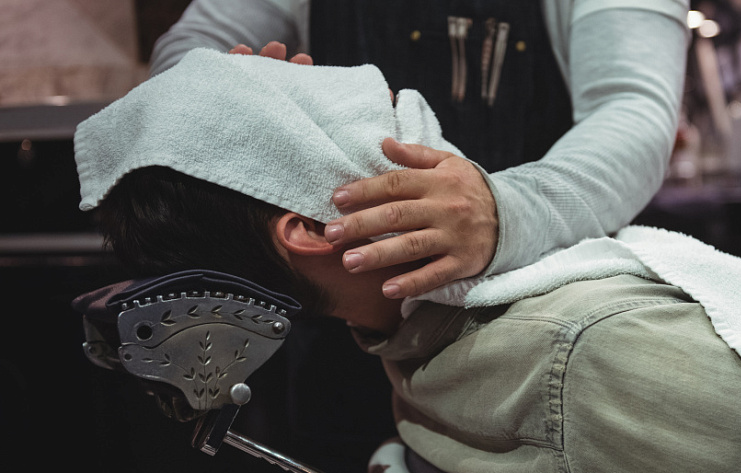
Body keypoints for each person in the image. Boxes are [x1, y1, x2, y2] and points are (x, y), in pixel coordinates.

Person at [75, 50, 741, 473]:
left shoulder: (408, 343)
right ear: (314, 226)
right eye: (318, 102)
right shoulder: (600, 356)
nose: (369, 73)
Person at [147, 0, 690, 297]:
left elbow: (632, 108)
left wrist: (509, 211)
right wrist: (232, 93)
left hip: (531, 301)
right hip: (342, 313)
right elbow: (183, 52)